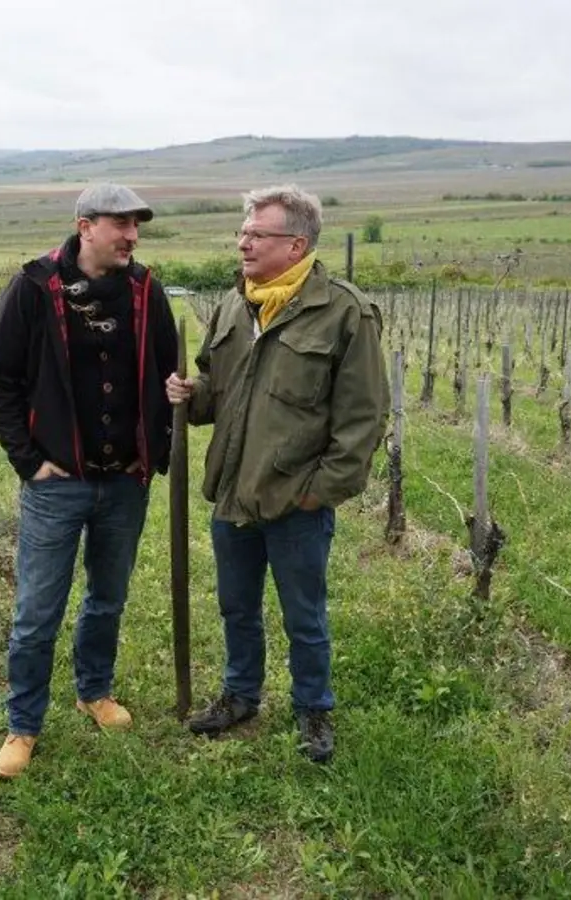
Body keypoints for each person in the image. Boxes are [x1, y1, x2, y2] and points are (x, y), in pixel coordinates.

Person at [164, 184, 386, 763]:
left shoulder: (344, 312)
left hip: (296, 501)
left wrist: (318, 493)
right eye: (242, 232)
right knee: (236, 605)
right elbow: (217, 391)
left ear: (296, 243)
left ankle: (313, 708)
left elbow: (362, 419)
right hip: (234, 492)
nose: (242, 243)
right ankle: (241, 695)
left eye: (256, 234)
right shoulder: (234, 304)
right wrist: (190, 395)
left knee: (303, 614)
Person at [0, 183, 180, 778]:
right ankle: (23, 725)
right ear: (85, 225)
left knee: (107, 599)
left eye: (137, 225)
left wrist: (163, 433)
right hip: (57, 483)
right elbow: (1, 381)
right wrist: (30, 462)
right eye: (121, 223)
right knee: (37, 611)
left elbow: (169, 370)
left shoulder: (146, 291)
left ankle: (93, 691)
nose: (132, 235)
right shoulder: (35, 288)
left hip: (125, 482)